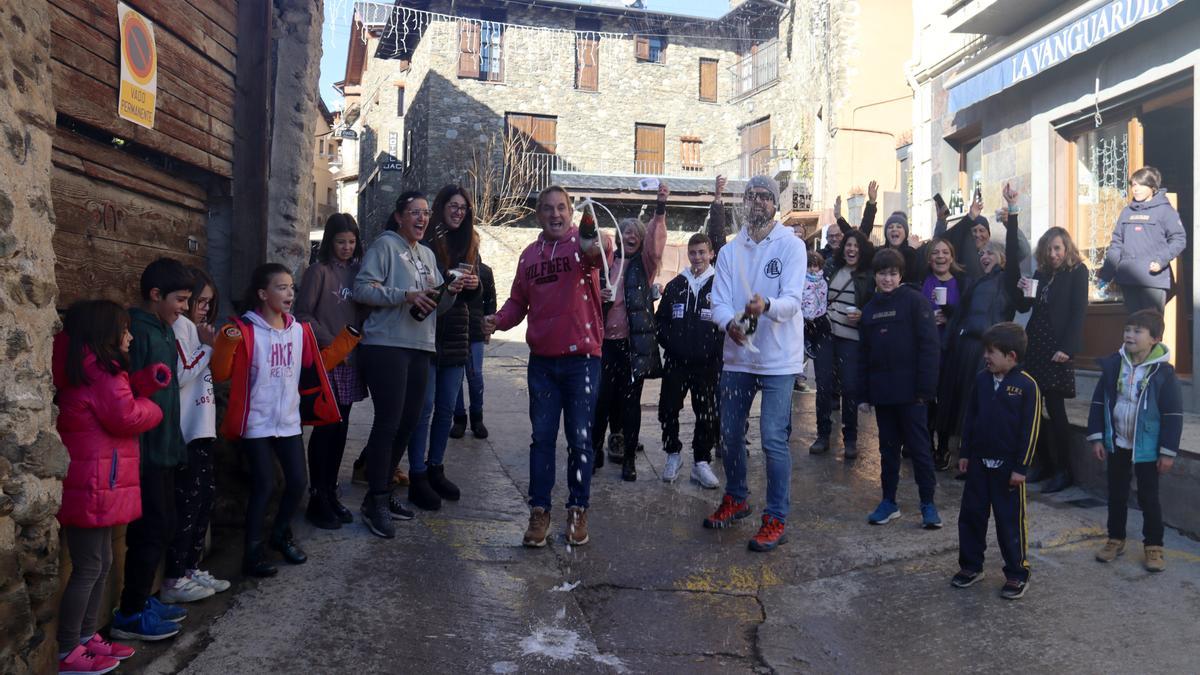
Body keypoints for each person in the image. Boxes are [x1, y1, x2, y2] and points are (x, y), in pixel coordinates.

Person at [211, 263, 360, 575]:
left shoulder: (298, 331)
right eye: (281, 287)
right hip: (256, 424)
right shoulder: (246, 330)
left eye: (292, 287)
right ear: (263, 294)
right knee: (265, 485)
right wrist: (226, 343)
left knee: (297, 483)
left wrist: (346, 342)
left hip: (289, 422)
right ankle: (252, 554)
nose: (290, 292)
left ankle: (279, 535)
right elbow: (221, 372)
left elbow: (317, 366)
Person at [485, 185, 609, 548]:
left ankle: (577, 508)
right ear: (537, 214)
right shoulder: (528, 256)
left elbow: (599, 254)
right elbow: (517, 302)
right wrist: (496, 320)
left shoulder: (583, 247)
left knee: (580, 440)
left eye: (561, 208)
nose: (555, 214)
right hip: (542, 363)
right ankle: (539, 511)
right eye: (547, 209)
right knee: (541, 440)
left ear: (570, 212)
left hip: (583, 361)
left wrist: (597, 237)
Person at [53, 301, 169, 672]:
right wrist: (155, 406)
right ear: (105, 334)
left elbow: (118, 398)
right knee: (90, 567)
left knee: (99, 564)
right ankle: (69, 649)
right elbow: (127, 415)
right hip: (95, 484)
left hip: (97, 482)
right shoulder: (102, 374)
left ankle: (87, 639)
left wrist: (145, 383)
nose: (131, 337)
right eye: (124, 330)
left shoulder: (90, 369)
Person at [701, 175, 806, 553]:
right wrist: (729, 324)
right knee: (729, 433)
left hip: (779, 358)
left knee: (773, 439)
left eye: (765, 197)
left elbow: (794, 300)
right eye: (751, 196)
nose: (758, 202)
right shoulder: (729, 252)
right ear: (743, 203)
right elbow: (719, 301)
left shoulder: (792, 246)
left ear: (775, 205)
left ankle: (776, 516)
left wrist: (768, 307)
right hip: (738, 356)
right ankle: (737, 497)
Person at [353, 192, 465, 537]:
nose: (422, 218)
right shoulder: (384, 247)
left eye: (426, 213)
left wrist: (453, 291)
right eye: (414, 212)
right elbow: (362, 289)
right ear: (399, 216)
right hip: (386, 345)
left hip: (420, 345)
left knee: (410, 422)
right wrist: (404, 295)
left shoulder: (428, 255)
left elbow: (436, 307)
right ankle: (376, 498)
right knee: (388, 423)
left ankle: (382, 494)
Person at [111, 257, 192, 642]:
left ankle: (142, 601)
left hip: (164, 451)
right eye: (180, 299)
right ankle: (129, 612)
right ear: (155, 295)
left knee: (162, 526)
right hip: (143, 455)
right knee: (151, 531)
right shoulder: (140, 334)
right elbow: (130, 394)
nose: (186, 308)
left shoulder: (163, 330)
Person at [938, 184, 1024, 474]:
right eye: (982, 253)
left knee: (978, 407)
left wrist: (1012, 211)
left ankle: (975, 458)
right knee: (957, 402)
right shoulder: (975, 283)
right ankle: (955, 455)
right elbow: (961, 314)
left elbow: (1012, 249)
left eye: (991, 252)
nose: (984, 255)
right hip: (964, 348)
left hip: (987, 351)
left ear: (1001, 259)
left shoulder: (1007, 281)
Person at [1087, 309, 1181, 573]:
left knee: (1149, 497)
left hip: (1148, 449)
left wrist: (1167, 452)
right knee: (1116, 494)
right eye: (1127, 329)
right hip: (1117, 442)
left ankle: (1154, 546)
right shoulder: (1113, 365)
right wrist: (1097, 438)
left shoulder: (1164, 374)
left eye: (1137, 331)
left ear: (1154, 338)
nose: (1129, 335)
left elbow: (1173, 415)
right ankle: (1115, 539)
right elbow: (1098, 403)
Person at [953, 322, 1041, 600]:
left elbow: (1031, 430)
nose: (986, 357)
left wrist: (1021, 467)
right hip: (979, 463)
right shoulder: (981, 380)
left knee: (1009, 522)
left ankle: (1017, 573)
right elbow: (970, 418)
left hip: (1008, 470)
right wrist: (965, 452)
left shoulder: (1027, 386)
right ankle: (971, 566)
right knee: (971, 516)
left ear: (1011, 356)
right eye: (985, 351)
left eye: (992, 352)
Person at [407, 185, 483, 509]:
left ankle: (436, 467)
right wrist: (446, 286)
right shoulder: (425, 242)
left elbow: (472, 298)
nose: (458, 212)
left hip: (456, 334)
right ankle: (417, 474)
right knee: (423, 409)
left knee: (446, 409)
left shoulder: (470, 243)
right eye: (453, 206)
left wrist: (474, 284)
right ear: (441, 207)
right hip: (427, 331)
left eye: (463, 208)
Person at [858, 248, 943, 529]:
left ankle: (928, 505)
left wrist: (925, 390)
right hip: (884, 395)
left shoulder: (915, 302)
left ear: (900, 275)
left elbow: (930, 348)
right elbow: (864, 356)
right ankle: (888, 502)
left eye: (892, 273)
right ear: (875, 275)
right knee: (888, 450)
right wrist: (864, 395)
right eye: (882, 273)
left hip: (913, 395)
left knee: (920, 450)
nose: (887, 278)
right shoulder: (869, 310)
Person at [294, 214, 368, 529]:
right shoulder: (318, 272)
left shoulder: (360, 273)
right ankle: (316, 496)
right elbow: (303, 314)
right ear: (329, 242)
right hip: (327, 360)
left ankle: (330, 490)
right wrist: (334, 343)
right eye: (340, 242)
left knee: (341, 428)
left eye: (351, 242)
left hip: (351, 363)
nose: (346, 248)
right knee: (325, 428)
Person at [593, 183, 668, 481]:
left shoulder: (644, 265)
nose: (632, 236)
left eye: (636, 233)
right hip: (604, 345)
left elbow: (655, 241)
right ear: (617, 238)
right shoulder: (604, 263)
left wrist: (659, 207)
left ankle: (628, 460)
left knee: (630, 403)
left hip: (632, 346)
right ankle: (594, 450)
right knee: (600, 401)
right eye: (626, 233)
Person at [162, 267, 228, 604]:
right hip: (187, 431)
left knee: (203, 503)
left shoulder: (193, 329)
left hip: (202, 428)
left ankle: (190, 568)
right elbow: (182, 375)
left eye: (207, 302)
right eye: (198, 300)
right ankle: (174, 577)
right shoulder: (181, 328)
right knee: (187, 506)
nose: (203, 307)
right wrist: (208, 348)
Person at [1013, 227, 1089, 494]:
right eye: (1049, 249)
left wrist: (1068, 348)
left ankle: (1064, 470)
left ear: (1066, 248)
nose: (1053, 253)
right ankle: (1042, 463)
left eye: (1058, 248)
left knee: (1056, 409)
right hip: (1036, 343)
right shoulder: (1041, 273)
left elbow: (1079, 312)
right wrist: (1024, 290)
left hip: (1057, 347)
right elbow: (1026, 308)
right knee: (1034, 408)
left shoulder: (1078, 271)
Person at [656, 231, 722, 488]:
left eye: (702, 252)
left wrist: (712, 350)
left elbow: (725, 324)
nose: (697, 257)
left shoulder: (720, 285)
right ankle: (673, 454)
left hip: (706, 365)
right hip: (675, 362)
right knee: (668, 409)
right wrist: (672, 343)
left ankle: (701, 462)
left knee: (706, 412)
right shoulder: (675, 285)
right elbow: (660, 321)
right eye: (693, 253)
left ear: (711, 253)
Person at [810, 228, 874, 457]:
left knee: (849, 388)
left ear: (862, 250)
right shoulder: (830, 267)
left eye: (856, 246)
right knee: (824, 386)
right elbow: (815, 294)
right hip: (825, 334)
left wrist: (863, 314)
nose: (852, 249)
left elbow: (875, 305)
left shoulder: (869, 275)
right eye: (848, 245)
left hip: (852, 339)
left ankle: (850, 439)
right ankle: (823, 435)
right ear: (842, 248)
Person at [1098, 166, 1187, 315]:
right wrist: (1106, 275)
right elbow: (1116, 244)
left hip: (1153, 280)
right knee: (1133, 325)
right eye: (1133, 185)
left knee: (1151, 327)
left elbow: (1179, 239)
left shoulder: (1164, 211)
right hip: (1128, 280)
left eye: (1141, 185)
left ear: (1153, 187)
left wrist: (1161, 261)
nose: (1136, 189)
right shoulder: (1127, 212)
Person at [451, 261, 497, 440]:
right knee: (455, 377)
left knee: (475, 375)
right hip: (454, 328)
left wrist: (490, 325)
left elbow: (490, 300)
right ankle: (459, 419)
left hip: (476, 330)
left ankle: (477, 418)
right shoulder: (451, 267)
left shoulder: (484, 271)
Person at [801, 249, 830, 389]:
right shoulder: (801, 279)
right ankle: (800, 376)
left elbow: (823, 298)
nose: (812, 269)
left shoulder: (822, 282)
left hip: (818, 316)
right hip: (803, 317)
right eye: (809, 265)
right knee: (802, 348)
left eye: (815, 265)